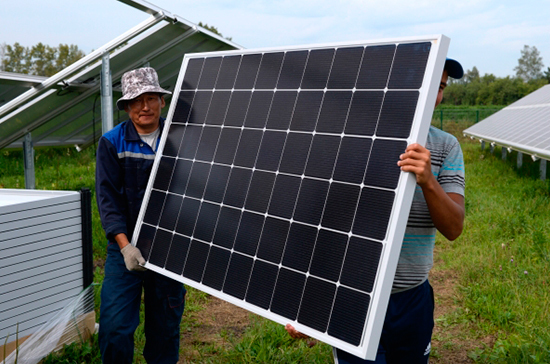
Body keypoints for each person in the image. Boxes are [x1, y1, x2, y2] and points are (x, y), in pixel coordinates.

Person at [286, 58, 466, 364]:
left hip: (413, 300)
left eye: (441, 87)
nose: (435, 95)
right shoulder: (348, 142)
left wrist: (428, 182)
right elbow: (315, 224)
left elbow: (453, 228)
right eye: (430, 84)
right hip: (352, 297)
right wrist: (309, 304)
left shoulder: (446, 147)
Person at [96, 67, 186, 364]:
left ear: (162, 101)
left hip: (169, 247)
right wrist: (125, 247)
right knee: (115, 328)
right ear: (126, 107)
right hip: (126, 247)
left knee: (164, 329)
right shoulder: (112, 143)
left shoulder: (181, 140)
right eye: (136, 100)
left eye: (150, 98)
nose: (144, 106)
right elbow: (107, 200)